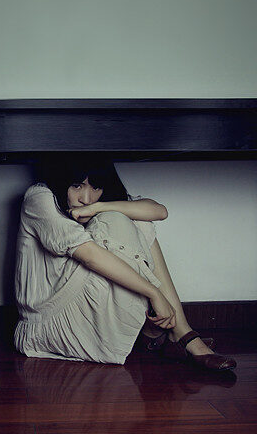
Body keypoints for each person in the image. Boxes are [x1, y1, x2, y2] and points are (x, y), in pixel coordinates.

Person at [13, 155, 236, 371]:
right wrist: (154, 293)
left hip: (83, 307)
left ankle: (180, 331)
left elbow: (159, 211)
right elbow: (89, 255)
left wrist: (99, 208)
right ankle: (171, 333)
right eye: (77, 186)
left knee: (139, 221)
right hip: (49, 324)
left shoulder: (93, 204)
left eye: (96, 187)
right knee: (119, 219)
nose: (87, 199)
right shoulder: (40, 197)